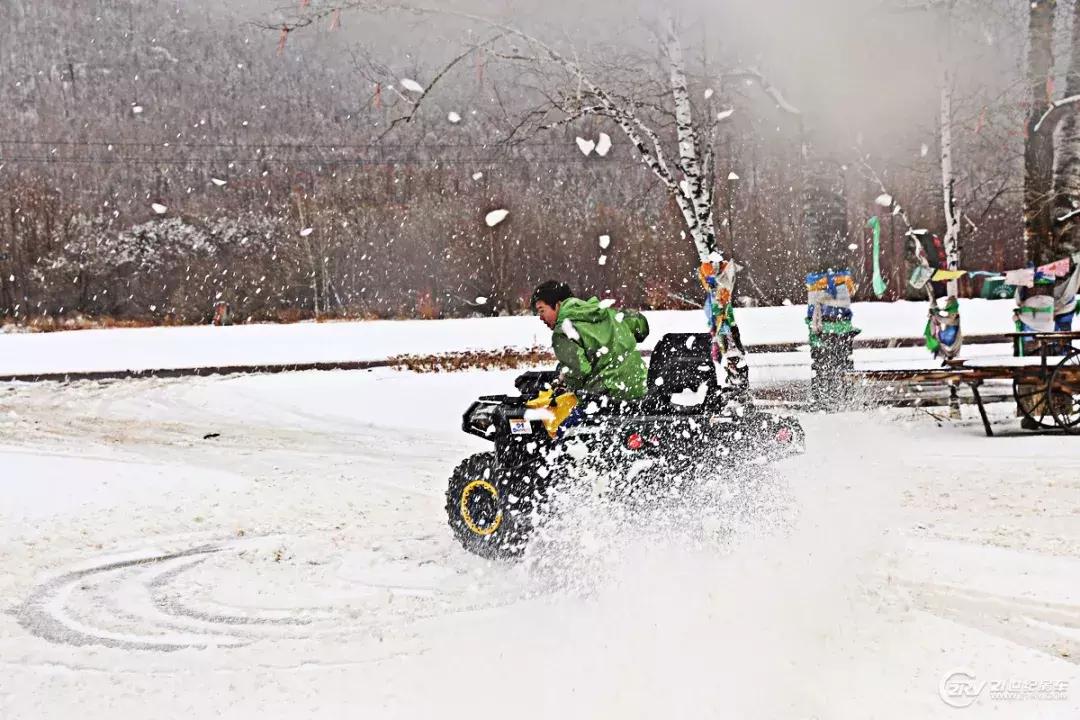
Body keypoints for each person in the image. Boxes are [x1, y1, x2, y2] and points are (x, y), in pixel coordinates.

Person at [530, 280, 650, 401]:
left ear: (558, 305)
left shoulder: (563, 332)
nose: (540, 318)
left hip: (608, 397)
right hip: (640, 386)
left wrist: (563, 384)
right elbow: (640, 326)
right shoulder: (604, 311)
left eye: (542, 310)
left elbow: (578, 372)